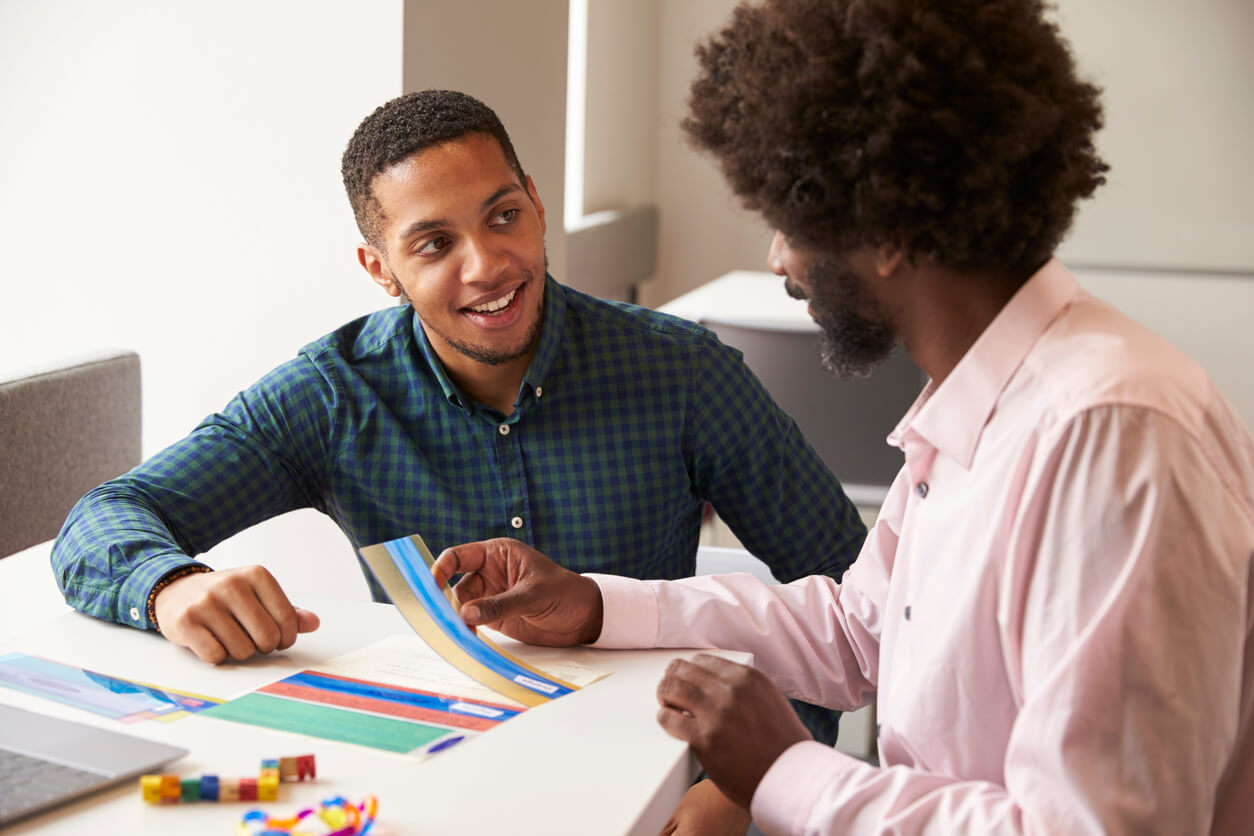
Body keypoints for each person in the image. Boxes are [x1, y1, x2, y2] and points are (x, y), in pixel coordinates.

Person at [427, 1, 1254, 833]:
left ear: (886, 228)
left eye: (791, 217)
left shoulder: (1109, 435)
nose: (779, 258)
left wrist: (787, 771)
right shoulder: (980, 404)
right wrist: (596, 607)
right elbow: (862, 632)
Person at [51, 89, 866, 832]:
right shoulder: (331, 394)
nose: (486, 264)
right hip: (428, 797)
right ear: (383, 271)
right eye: (435, 243)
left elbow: (862, 602)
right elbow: (104, 518)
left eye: (503, 215)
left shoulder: (683, 372)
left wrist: (747, 785)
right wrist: (169, 586)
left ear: (538, 205)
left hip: (658, 787)